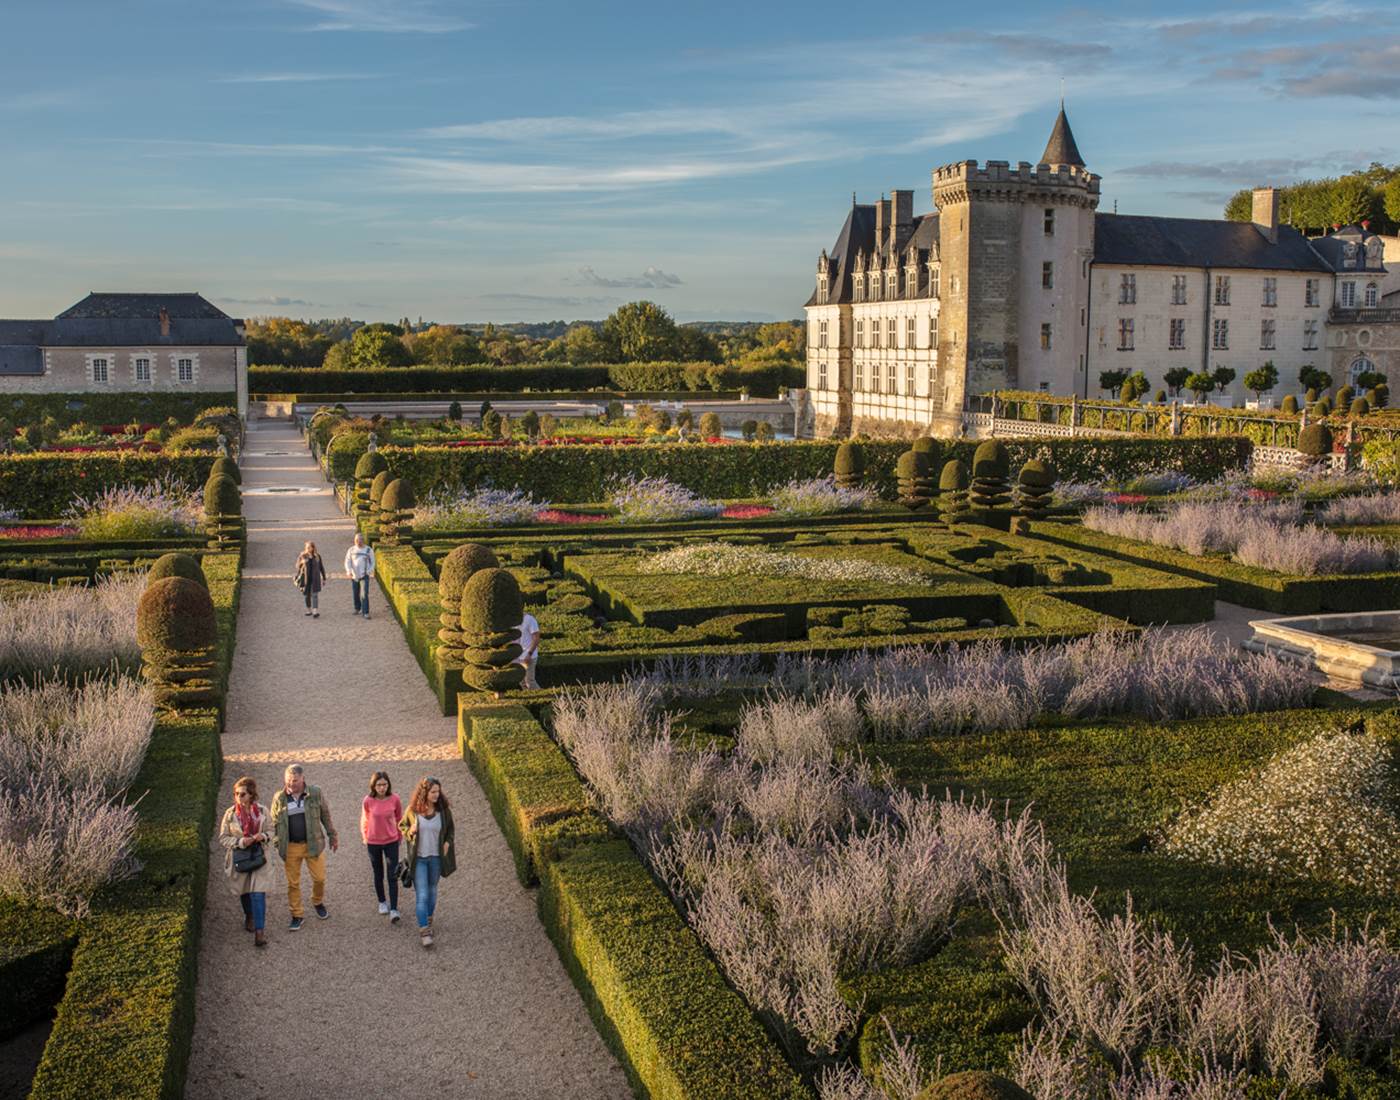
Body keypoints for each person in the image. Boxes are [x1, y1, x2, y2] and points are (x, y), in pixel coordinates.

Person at [269, 763, 338, 930]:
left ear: (303, 779)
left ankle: (317, 901)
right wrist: (278, 843)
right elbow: (274, 822)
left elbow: (325, 814)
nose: (291, 784)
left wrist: (332, 835)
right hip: (291, 846)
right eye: (288, 780)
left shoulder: (315, 793)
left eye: (294, 780)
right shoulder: (279, 798)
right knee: (293, 883)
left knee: (319, 878)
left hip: (313, 844)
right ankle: (297, 914)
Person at [399, 776, 455, 948]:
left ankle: (428, 919)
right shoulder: (412, 810)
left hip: (436, 858)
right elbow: (402, 826)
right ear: (425, 793)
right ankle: (424, 930)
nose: (436, 795)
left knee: (432, 891)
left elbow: (450, 830)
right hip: (419, 860)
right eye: (433, 792)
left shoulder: (444, 811)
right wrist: (411, 831)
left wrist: (447, 843)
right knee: (422, 894)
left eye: (438, 791)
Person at [220, 776, 274, 947]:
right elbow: (223, 838)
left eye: (242, 794)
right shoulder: (230, 814)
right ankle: (249, 916)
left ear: (251, 794)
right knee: (244, 891)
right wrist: (240, 842)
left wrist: (263, 836)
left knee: (258, 893)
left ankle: (260, 932)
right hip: (240, 857)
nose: (239, 797)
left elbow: (272, 831)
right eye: (236, 794)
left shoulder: (263, 811)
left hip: (259, 856)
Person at [360, 770, 402, 923]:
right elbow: (364, 820)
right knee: (378, 874)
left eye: (384, 784)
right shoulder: (368, 801)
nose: (382, 787)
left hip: (391, 841)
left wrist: (399, 836)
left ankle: (394, 909)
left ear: (388, 784)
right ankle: (382, 901)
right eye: (379, 785)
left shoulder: (395, 799)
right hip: (373, 843)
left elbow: (399, 818)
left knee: (392, 875)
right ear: (373, 786)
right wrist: (365, 836)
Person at [344, 532, 376, 619]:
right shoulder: (351, 550)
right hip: (354, 575)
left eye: (360, 540)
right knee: (355, 592)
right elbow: (347, 561)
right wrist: (349, 571)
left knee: (364, 593)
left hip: (364, 575)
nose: (359, 541)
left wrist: (369, 571)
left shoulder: (368, 550)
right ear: (355, 541)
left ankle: (365, 612)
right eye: (357, 540)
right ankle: (357, 608)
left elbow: (373, 562)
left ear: (363, 540)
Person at [294, 541, 328, 618]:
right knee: (307, 595)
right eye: (308, 547)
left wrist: (324, 578)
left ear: (313, 548)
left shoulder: (317, 556)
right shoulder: (303, 556)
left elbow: (321, 567)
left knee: (315, 594)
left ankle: (315, 611)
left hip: (315, 579)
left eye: (310, 547)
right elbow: (297, 566)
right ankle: (309, 610)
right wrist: (302, 562)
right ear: (306, 548)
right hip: (305, 579)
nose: (309, 549)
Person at [515, 610, 540, 689]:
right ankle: (532, 700)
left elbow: (536, 638)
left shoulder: (529, 619)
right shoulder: (513, 621)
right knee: (522, 682)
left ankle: (546, 699)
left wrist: (529, 654)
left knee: (529, 682)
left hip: (529, 655)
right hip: (518, 657)